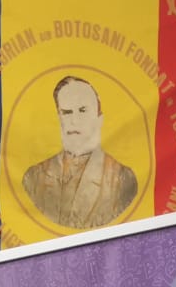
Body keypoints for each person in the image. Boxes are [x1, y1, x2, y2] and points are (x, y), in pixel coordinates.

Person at [19, 75, 139, 231]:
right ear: (59, 118)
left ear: (99, 119)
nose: (74, 121)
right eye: (67, 112)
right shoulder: (34, 177)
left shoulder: (122, 179)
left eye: (82, 111)